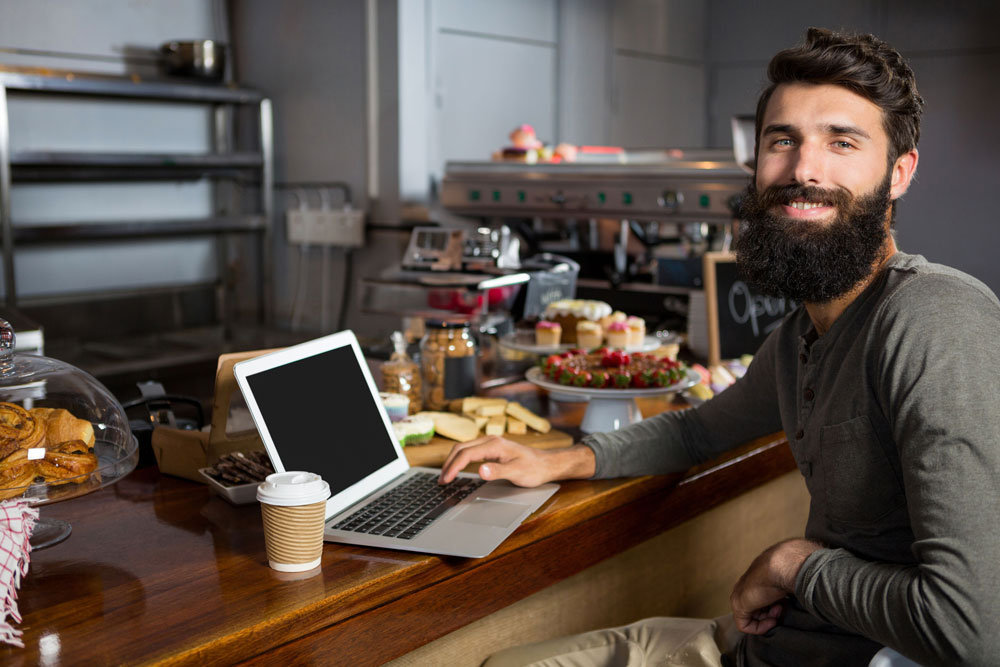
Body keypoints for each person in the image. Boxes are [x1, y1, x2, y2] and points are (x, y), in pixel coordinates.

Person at [439, 27, 1000, 667]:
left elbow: (973, 630)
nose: (803, 170)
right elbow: (699, 432)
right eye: (781, 141)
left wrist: (795, 564)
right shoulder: (799, 336)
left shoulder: (935, 317)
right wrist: (559, 462)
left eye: (842, 143)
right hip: (761, 646)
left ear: (900, 173)